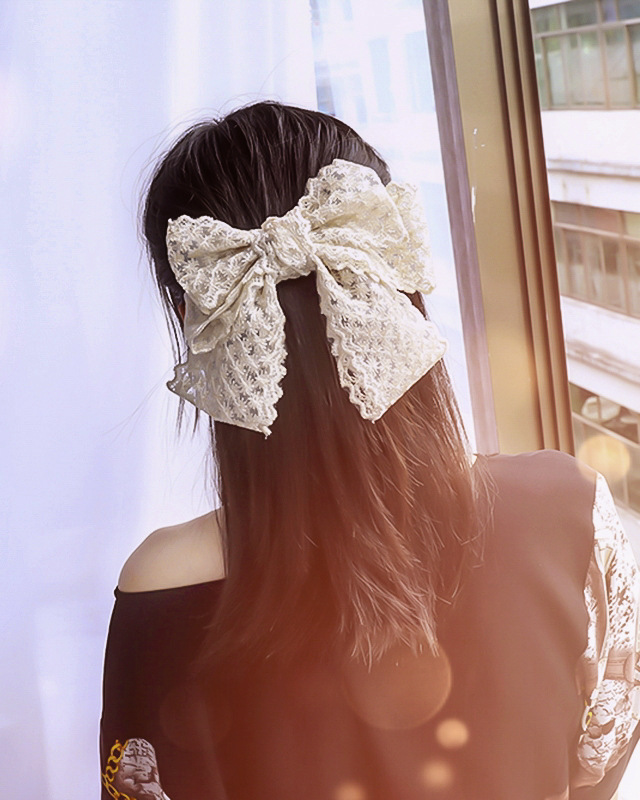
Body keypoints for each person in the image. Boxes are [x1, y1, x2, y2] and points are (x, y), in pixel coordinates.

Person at [100, 101, 640, 800]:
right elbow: (600, 758)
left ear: (196, 319)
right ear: (402, 274)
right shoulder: (570, 506)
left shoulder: (163, 586)